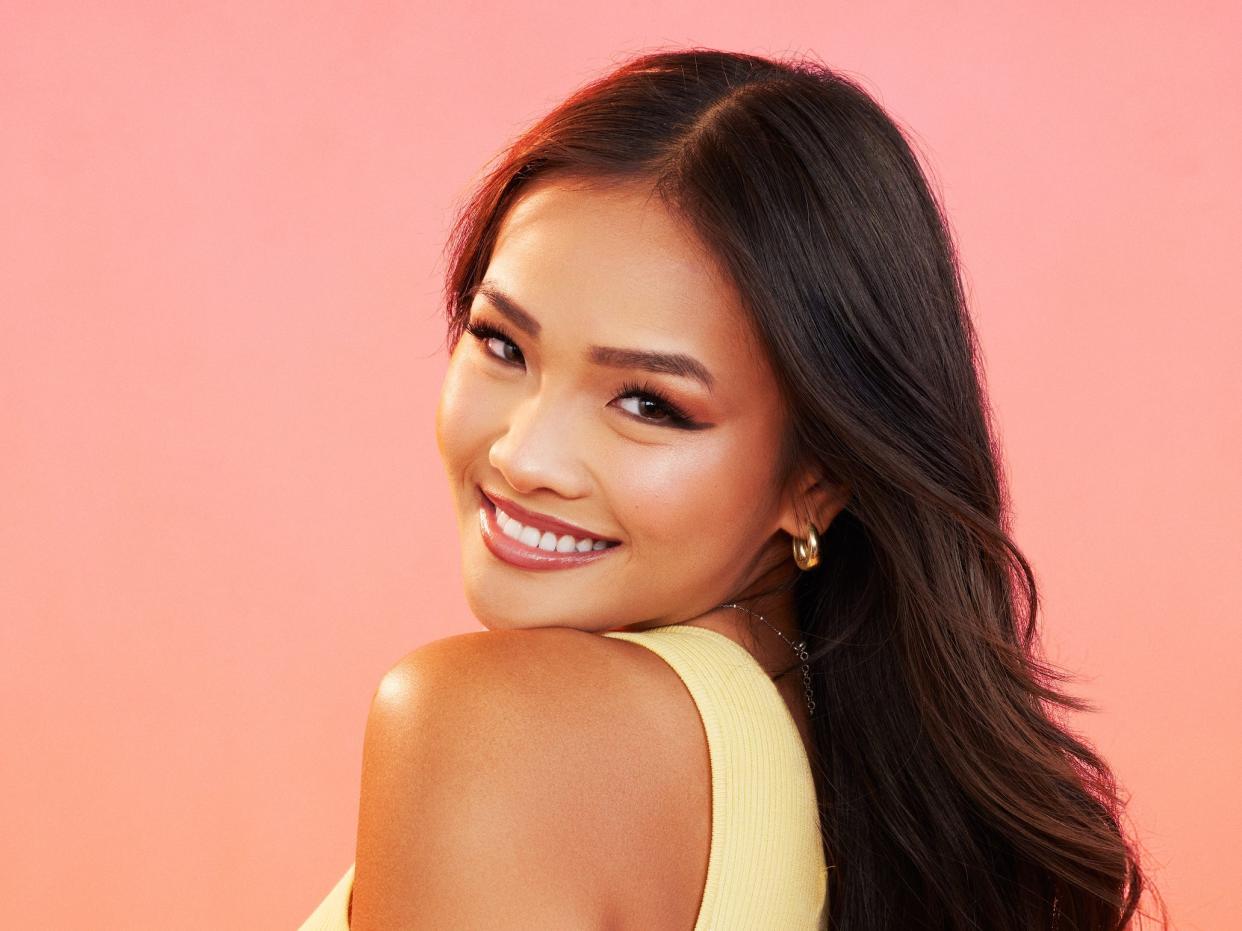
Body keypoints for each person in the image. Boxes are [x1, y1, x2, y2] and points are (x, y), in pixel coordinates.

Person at [298, 48, 1164, 930]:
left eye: (649, 402)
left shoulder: (491, 727)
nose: (525, 456)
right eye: (502, 343)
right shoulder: (831, 769)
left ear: (816, 480)